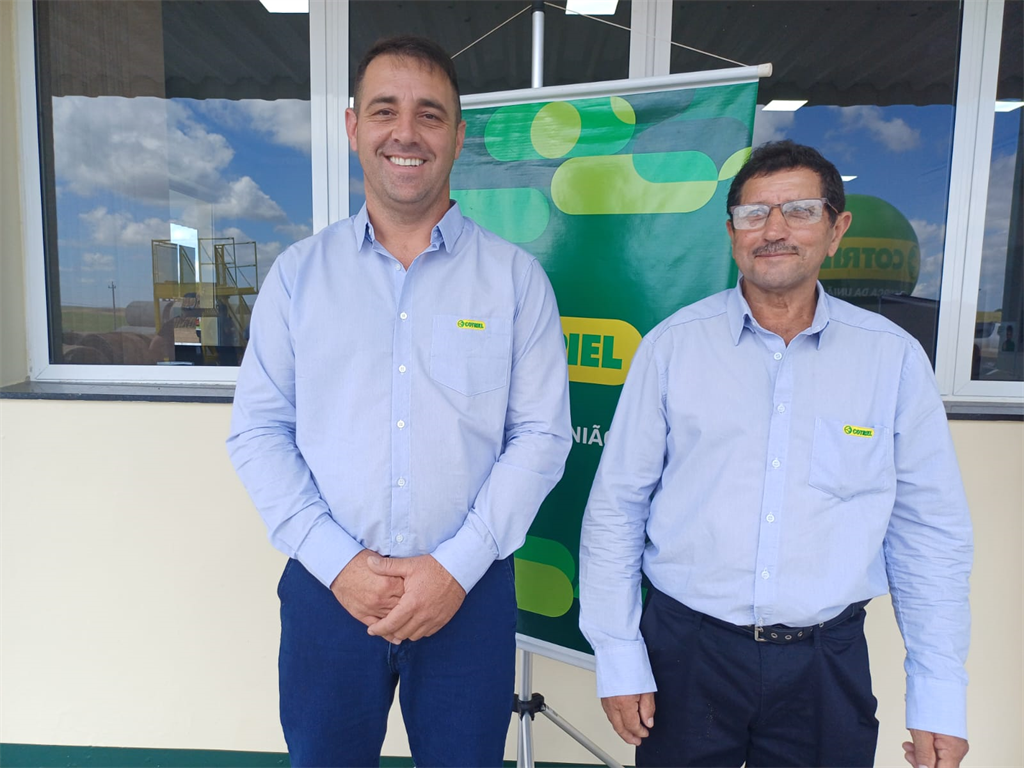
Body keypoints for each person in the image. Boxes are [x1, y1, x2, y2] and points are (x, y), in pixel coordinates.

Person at [227, 35, 571, 768]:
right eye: (385, 111)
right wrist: (340, 564)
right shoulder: (297, 277)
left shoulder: (515, 281)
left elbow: (541, 436)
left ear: (458, 136)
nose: (406, 133)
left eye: (430, 114)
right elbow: (258, 431)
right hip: (329, 591)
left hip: (467, 594)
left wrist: (455, 568)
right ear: (354, 127)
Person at [579, 141, 972, 768]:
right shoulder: (672, 348)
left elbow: (928, 533)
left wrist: (939, 696)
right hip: (687, 654)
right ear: (731, 233)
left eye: (800, 210)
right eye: (754, 213)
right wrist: (618, 653)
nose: (775, 230)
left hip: (826, 663)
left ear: (836, 230)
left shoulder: (891, 360)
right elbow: (616, 509)